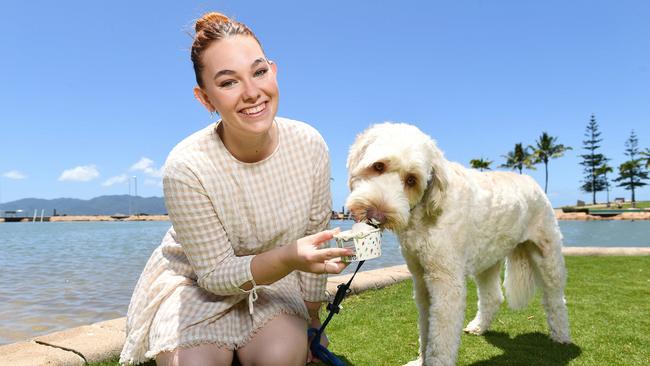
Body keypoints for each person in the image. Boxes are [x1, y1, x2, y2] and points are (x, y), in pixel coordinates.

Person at [119, 12, 353, 366]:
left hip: (276, 281)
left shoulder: (310, 144)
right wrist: (289, 256)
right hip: (195, 283)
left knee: (280, 357)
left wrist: (312, 319)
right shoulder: (185, 166)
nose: (252, 92)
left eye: (259, 72)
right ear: (205, 98)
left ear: (273, 70)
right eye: (228, 82)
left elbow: (314, 234)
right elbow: (214, 275)